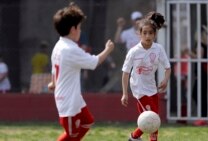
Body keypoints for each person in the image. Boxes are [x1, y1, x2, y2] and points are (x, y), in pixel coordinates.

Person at [48, 3, 114, 141]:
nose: (80, 31)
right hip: (68, 101)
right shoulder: (71, 49)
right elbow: (94, 62)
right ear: (73, 29)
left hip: (74, 98)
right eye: (79, 27)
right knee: (71, 136)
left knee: (87, 121)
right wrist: (108, 49)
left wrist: (54, 83)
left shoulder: (59, 45)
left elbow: (55, 69)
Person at [121, 11, 171, 141]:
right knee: (153, 117)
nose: (147, 36)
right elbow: (125, 72)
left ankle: (134, 137)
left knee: (152, 118)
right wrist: (125, 93)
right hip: (139, 89)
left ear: (155, 34)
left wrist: (165, 80)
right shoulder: (134, 51)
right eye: (145, 33)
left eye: (150, 33)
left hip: (152, 87)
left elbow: (167, 67)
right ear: (139, 34)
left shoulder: (158, 49)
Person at [191, 25, 208, 126]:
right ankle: (204, 117)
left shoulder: (201, 45)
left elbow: (199, 58)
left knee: (197, 94)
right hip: (207, 73)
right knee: (202, 95)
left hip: (202, 73)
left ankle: (203, 117)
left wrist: (188, 53)